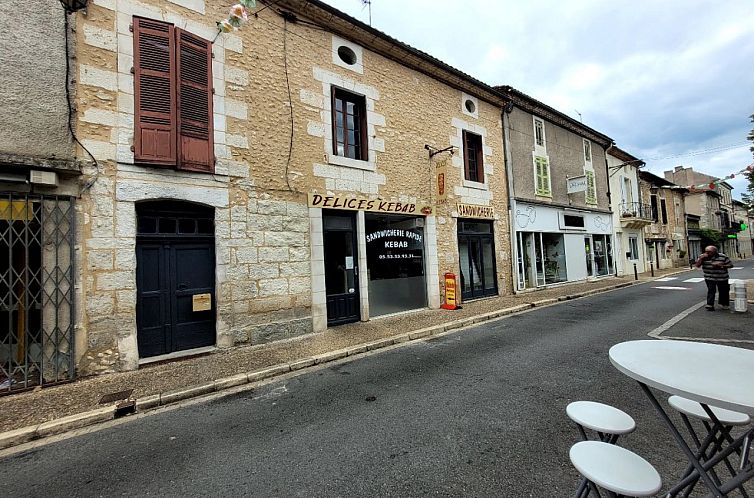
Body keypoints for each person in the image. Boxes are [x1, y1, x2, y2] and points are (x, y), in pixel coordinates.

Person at [694, 245, 734, 311]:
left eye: (709, 252)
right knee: (711, 290)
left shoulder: (722, 256)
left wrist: (721, 266)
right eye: (706, 251)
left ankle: (724, 303)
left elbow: (731, 265)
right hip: (709, 277)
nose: (707, 253)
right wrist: (701, 259)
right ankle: (710, 305)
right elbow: (697, 265)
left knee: (723, 291)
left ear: (715, 251)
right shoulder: (703, 257)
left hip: (722, 277)